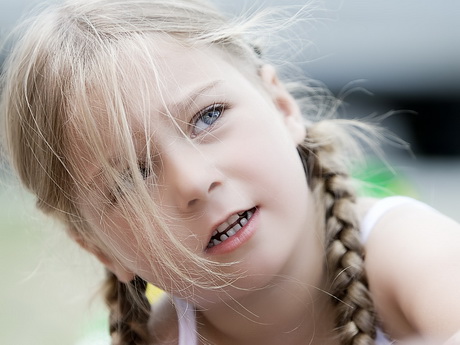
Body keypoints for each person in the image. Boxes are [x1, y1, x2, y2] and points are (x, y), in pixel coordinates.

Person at [1, 0, 459, 344]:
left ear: (281, 106)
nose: (194, 183)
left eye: (208, 116)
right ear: (99, 247)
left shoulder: (419, 258)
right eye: (130, 179)